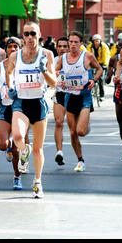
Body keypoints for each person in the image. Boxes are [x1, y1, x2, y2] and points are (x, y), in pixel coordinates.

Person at [5, 21, 57, 198]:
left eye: (33, 34)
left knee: (38, 148)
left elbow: (53, 83)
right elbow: (9, 72)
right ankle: (23, 151)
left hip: (39, 103)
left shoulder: (47, 54)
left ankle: (37, 182)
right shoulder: (15, 56)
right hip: (21, 102)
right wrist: (10, 87)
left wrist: (43, 70)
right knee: (18, 137)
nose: (29, 38)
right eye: (26, 34)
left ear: (39, 34)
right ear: (22, 36)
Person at [56, 31, 103, 172]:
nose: (73, 44)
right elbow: (54, 71)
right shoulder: (63, 58)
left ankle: (86, 123)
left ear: (81, 43)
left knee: (81, 131)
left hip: (84, 96)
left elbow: (99, 69)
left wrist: (94, 80)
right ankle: (80, 160)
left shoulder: (87, 56)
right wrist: (58, 76)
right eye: (71, 42)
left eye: (76, 42)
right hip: (70, 96)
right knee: (72, 133)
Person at [0, 37, 26, 189]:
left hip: (20, 108)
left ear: (20, 49)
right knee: (3, 146)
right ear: (6, 49)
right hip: (4, 107)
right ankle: (10, 142)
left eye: (16, 47)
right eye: (10, 47)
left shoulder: (26, 66)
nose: (13, 49)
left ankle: (17, 177)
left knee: (17, 148)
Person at [52, 37, 70, 166]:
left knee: (76, 129)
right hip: (59, 94)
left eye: (65, 46)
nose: (62, 49)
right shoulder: (53, 61)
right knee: (59, 123)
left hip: (74, 95)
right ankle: (59, 152)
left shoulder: (75, 60)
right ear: (57, 48)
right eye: (60, 46)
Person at [110, 38, 122, 161]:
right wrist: (117, 74)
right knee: (121, 121)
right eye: (120, 45)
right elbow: (120, 63)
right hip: (121, 88)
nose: (121, 46)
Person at [86, 34, 110, 100]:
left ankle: (102, 95)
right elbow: (87, 55)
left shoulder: (104, 46)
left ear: (100, 41)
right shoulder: (90, 46)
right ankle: (90, 92)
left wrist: (105, 64)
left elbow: (106, 56)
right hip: (93, 62)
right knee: (89, 76)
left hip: (101, 63)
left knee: (100, 79)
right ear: (93, 41)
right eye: (95, 41)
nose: (96, 42)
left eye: (98, 41)